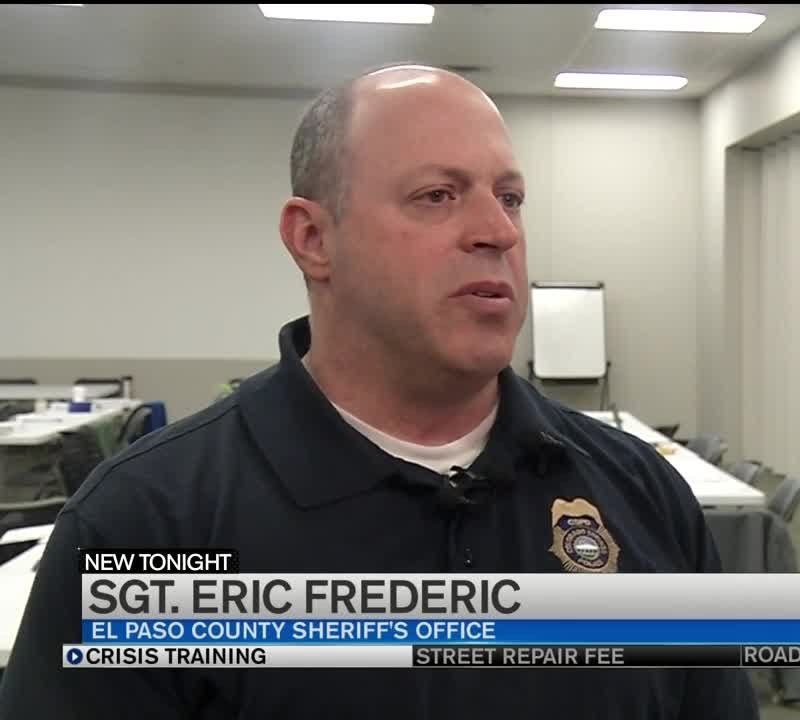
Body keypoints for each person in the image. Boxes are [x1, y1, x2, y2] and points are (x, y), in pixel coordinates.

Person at [0, 64, 759, 719]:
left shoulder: (641, 494)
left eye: (510, 198)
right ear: (313, 240)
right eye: (437, 195)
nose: (497, 231)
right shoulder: (148, 528)